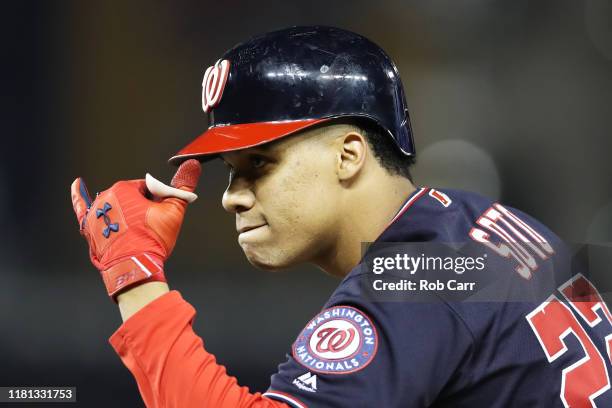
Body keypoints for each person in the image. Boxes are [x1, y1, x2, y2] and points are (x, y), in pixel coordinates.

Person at [70, 26, 612, 407]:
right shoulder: (489, 228)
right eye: (231, 172)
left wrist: (135, 275)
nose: (232, 197)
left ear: (348, 154)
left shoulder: (415, 274)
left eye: (260, 163)